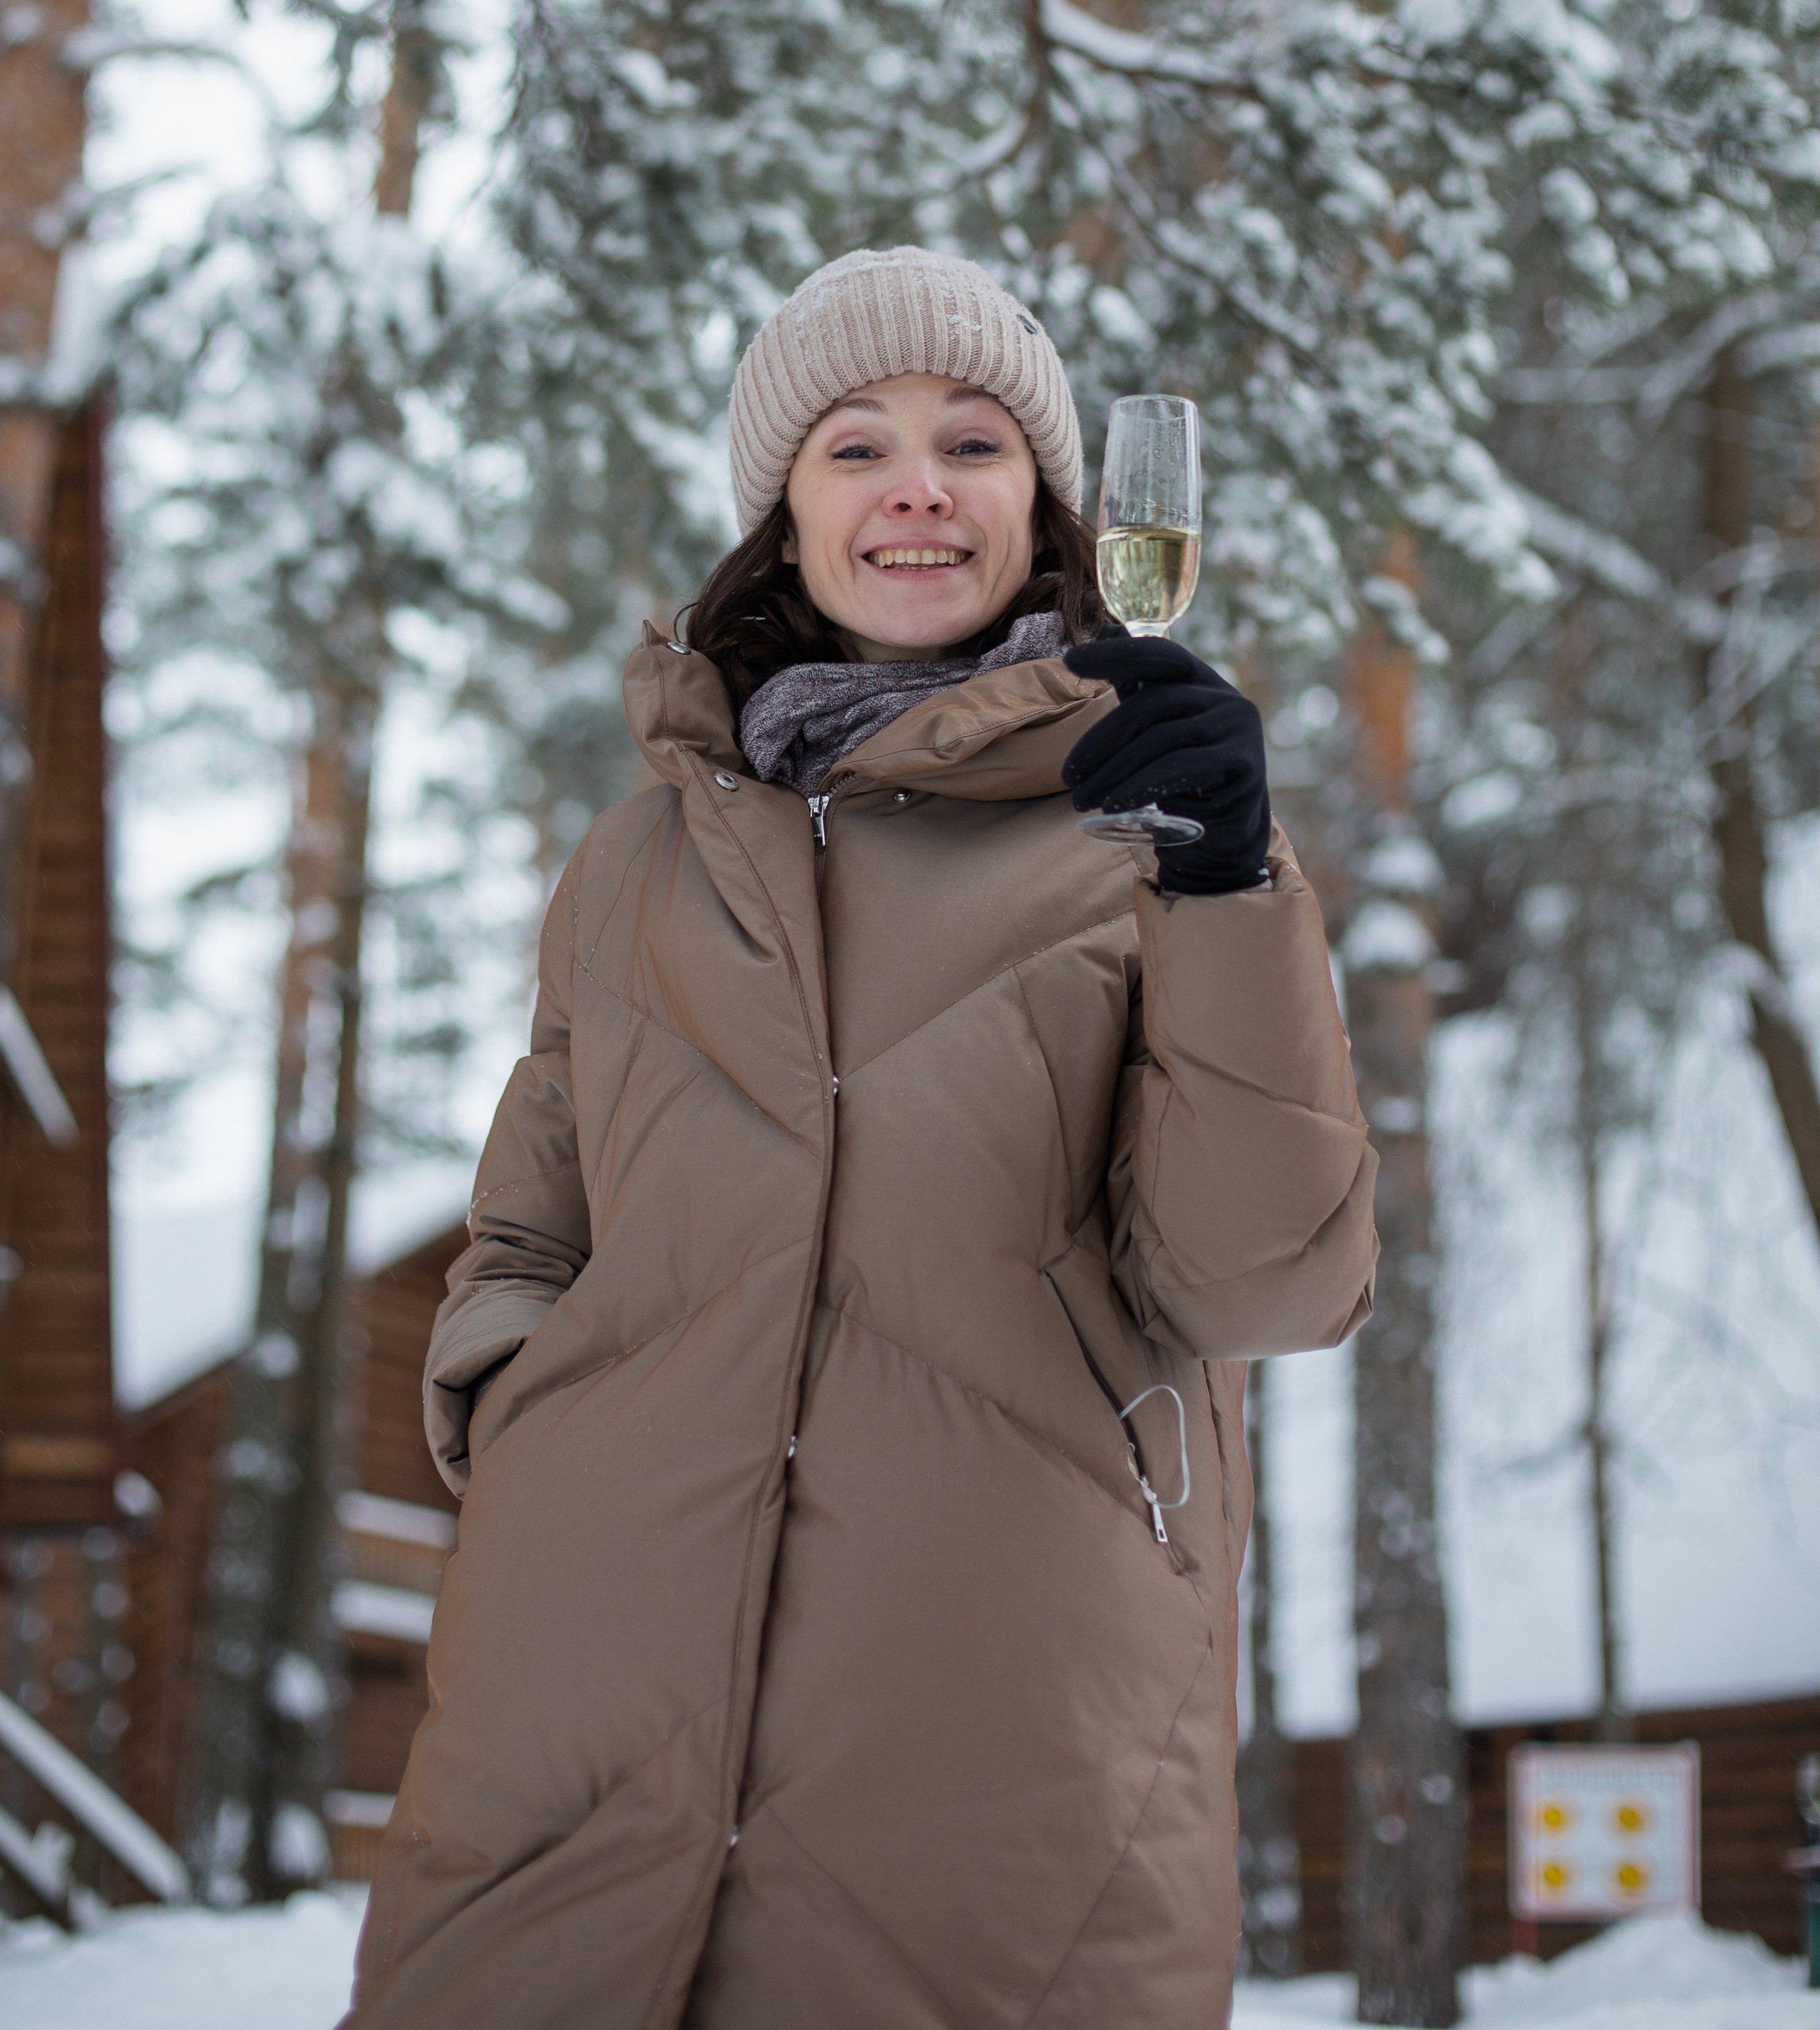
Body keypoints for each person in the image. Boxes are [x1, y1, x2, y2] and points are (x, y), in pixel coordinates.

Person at [345, 247, 1377, 2030]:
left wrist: (1222, 889)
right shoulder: (633, 865)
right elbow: (525, 1238)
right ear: (783, 515)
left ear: (1043, 510)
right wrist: (531, 1440)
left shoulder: (1156, 836)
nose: (915, 486)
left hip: (1003, 1741)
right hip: (568, 1716)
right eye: (854, 446)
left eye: (972, 443)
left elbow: (1263, 1282)